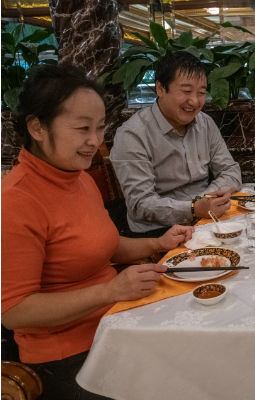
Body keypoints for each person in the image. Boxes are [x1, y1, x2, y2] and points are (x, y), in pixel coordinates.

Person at [1, 64, 194, 400]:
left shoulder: (76, 177)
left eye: (100, 128)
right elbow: (14, 310)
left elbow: (100, 245)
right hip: (68, 356)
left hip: (116, 322)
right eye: (82, 129)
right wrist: (110, 291)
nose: (95, 142)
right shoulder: (16, 201)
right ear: (37, 127)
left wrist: (158, 242)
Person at [110, 51, 242, 237]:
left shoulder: (205, 123)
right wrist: (193, 209)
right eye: (186, 91)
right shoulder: (133, 134)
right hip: (159, 231)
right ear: (160, 89)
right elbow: (140, 204)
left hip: (205, 219)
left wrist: (205, 200)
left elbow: (231, 171)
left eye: (201, 93)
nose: (194, 101)